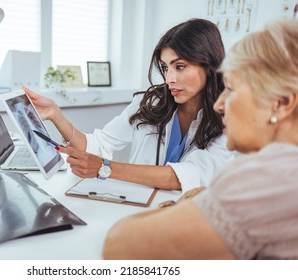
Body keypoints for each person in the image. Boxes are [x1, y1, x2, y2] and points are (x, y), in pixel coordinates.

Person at [102, 19, 298, 260]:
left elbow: (120, 245)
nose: (220, 103)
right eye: (165, 68)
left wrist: (183, 209)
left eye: (233, 89)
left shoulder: (268, 178)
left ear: (283, 103)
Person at [25, 18, 234, 192]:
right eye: (165, 67)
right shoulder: (152, 102)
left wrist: (105, 168)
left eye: (180, 67)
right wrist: (56, 115)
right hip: (134, 205)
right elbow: (99, 145)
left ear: (208, 66)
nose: (169, 78)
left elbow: (186, 176)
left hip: (187, 218)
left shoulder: (229, 118)